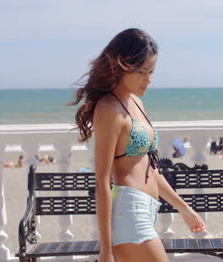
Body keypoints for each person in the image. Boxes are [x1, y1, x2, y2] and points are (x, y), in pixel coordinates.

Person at [69, 28, 205, 262]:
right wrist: (106, 249)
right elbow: (102, 181)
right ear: (121, 66)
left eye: (151, 71)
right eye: (142, 72)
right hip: (129, 214)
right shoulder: (108, 109)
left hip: (147, 209)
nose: (148, 79)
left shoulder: (136, 102)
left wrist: (183, 208)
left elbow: (149, 169)